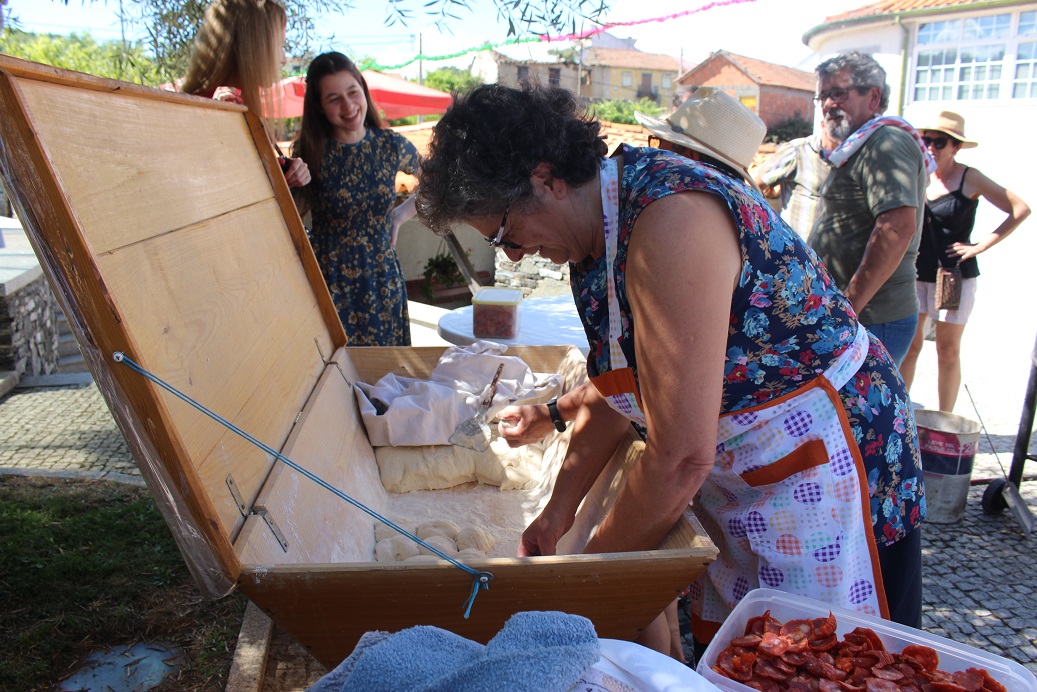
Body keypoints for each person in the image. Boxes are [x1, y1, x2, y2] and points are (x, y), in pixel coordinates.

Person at [415, 83, 925, 660]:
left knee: (834, 664)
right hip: (758, 474)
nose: (511, 254)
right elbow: (626, 391)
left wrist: (576, 586)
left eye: (504, 233)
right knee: (753, 660)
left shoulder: (672, 221)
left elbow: (681, 455)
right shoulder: (599, 235)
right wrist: (559, 513)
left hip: (833, 469)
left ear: (546, 177)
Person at [900, 112, 1030, 412]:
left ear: (955, 147)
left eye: (940, 141)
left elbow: (1020, 209)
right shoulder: (919, 173)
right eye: (926, 139)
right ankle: (901, 417)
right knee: (911, 347)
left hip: (953, 275)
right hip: (917, 273)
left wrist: (981, 246)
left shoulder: (969, 176)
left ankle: (944, 420)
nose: (931, 146)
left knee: (947, 350)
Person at [808, 51, 932, 368]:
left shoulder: (886, 142)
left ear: (873, 97)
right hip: (860, 316)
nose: (828, 104)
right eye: (823, 96)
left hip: (873, 318)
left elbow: (897, 228)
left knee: (858, 414)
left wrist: (849, 304)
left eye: (839, 93)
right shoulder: (857, 146)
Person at [291, 52, 421, 346]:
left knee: (385, 376)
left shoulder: (390, 144)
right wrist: (288, 183)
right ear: (320, 107)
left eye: (353, 92)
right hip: (328, 281)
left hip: (381, 279)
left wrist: (400, 215)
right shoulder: (310, 150)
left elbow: (436, 181)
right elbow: (289, 216)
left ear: (363, 91)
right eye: (334, 98)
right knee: (339, 374)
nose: (348, 106)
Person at [181, 0, 310, 189]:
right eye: (280, 46)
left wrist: (283, 176)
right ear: (254, 48)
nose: (283, 60)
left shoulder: (243, 106)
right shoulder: (197, 111)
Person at [753, 121, 837, 239]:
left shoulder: (849, 158)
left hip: (827, 249)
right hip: (794, 246)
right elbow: (754, 184)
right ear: (823, 125)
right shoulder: (799, 150)